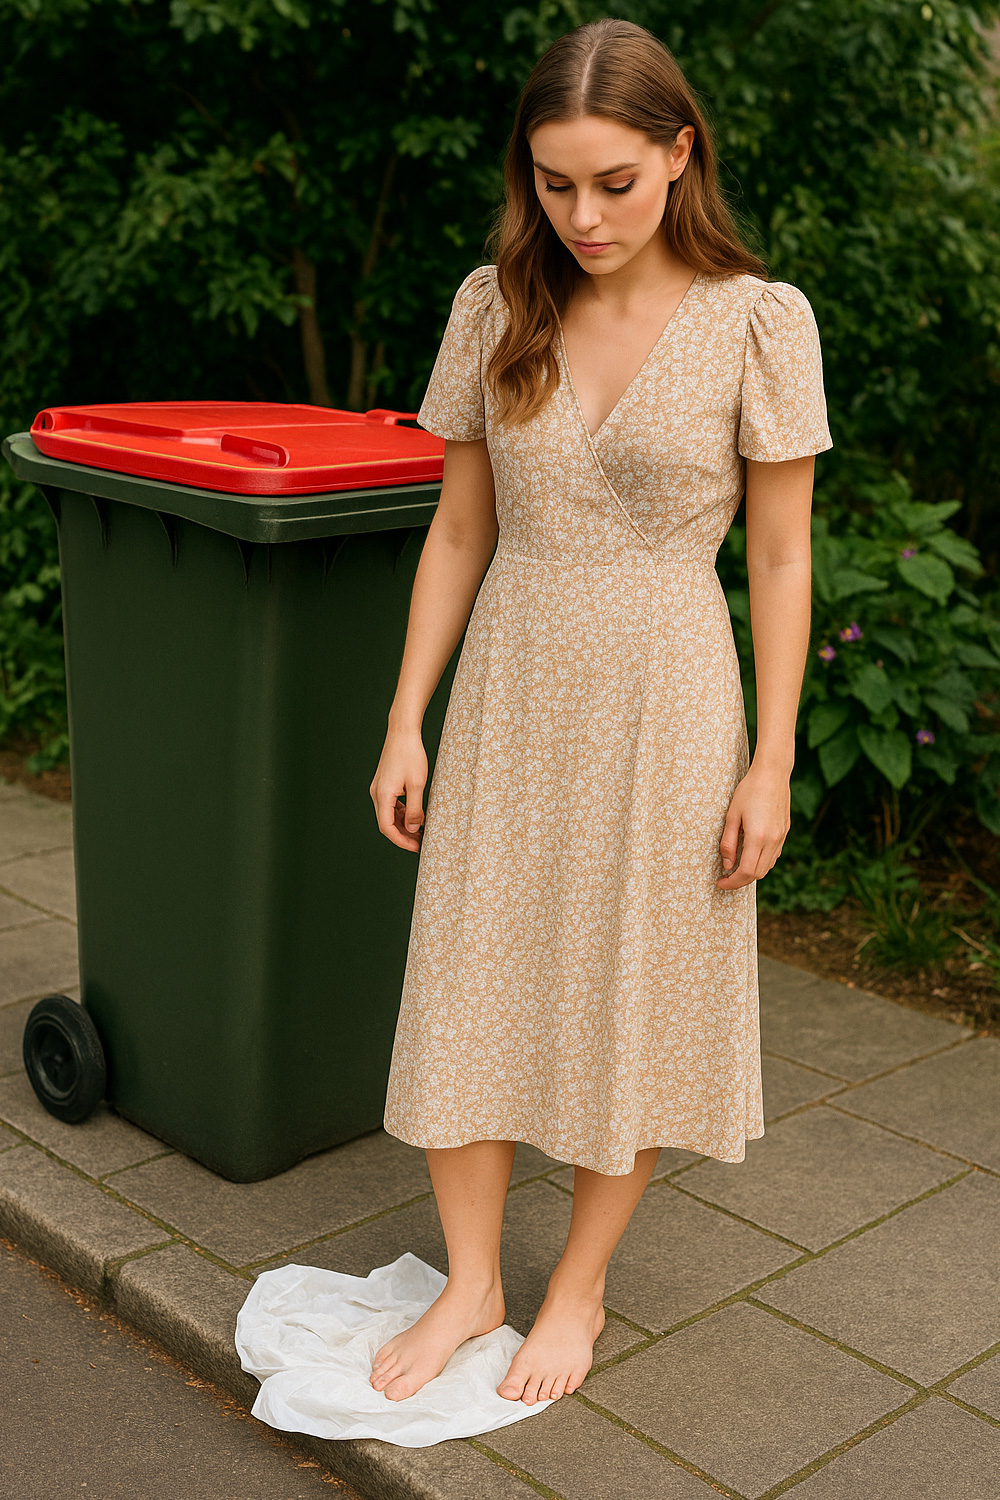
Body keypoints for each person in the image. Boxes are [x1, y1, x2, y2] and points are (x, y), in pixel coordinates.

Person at [368, 17, 832, 1409]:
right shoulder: (492, 301)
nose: (581, 215)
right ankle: (473, 1282)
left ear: (680, 152)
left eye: (614, 183)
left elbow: (781, 556)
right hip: (513, 681)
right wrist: (406, 719)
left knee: (632, 993)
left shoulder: (763, 320)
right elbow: (457, 531)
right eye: (555, 182)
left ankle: (576, 1287)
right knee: (470, 978)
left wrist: (773, 758)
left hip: (670, 697)